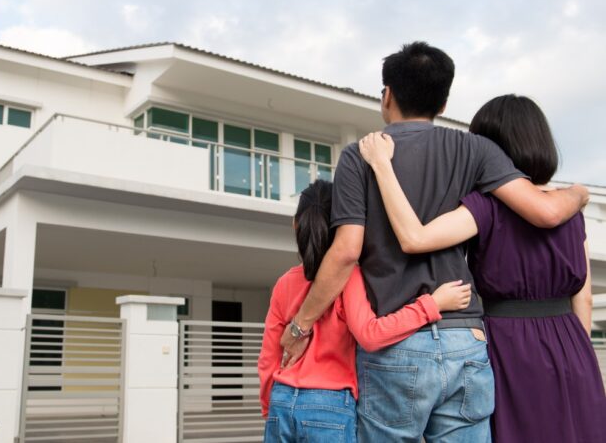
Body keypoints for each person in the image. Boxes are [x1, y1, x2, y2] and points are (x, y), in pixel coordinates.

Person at [278, 42, 590, 442]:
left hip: (395, 344)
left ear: (387, 95)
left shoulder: (359, 156)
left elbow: (346, 251)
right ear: (443, 103)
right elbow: (542, 210)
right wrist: (578, 193)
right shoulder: (477, 150)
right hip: (465, 339)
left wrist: (300, 326)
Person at [358, 94, 606, 443]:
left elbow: (415, 237)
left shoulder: (485, 207)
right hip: (572, 345)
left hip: (509, 345)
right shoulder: (570, 211)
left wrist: (383, 167)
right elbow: (584, 297)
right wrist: (579, 354)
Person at [258, 179, 473, 443]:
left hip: (281, 400)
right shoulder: (350, 277)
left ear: (295, 225)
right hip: (330, 406)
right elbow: (371, 334)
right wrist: (432, 304)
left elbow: (269, 356)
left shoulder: (285, 283)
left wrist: (269, 407)